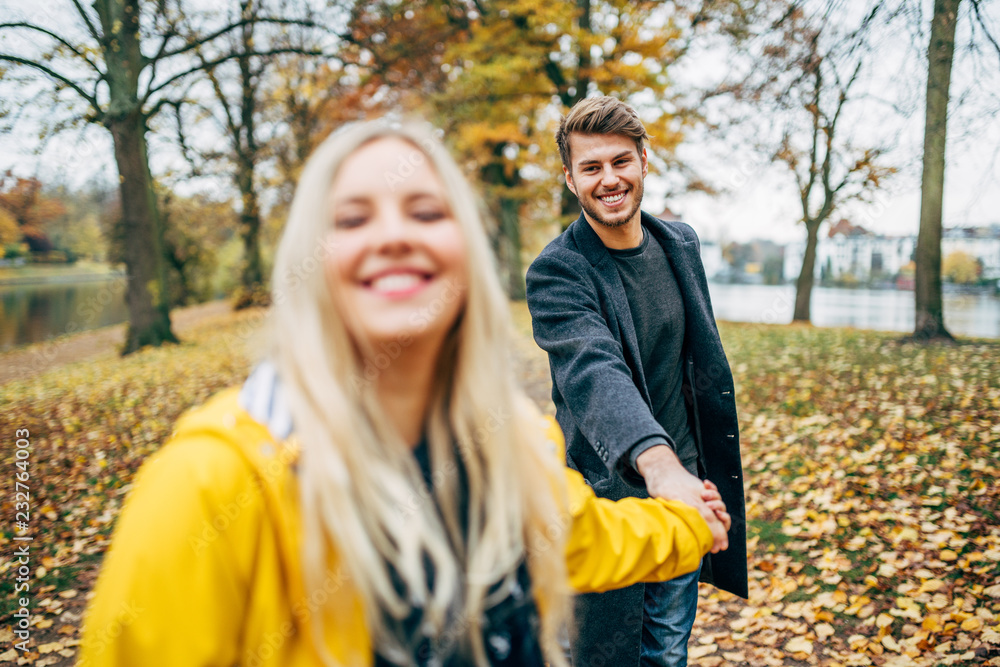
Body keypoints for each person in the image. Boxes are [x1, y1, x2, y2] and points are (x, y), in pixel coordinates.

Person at [78, 118, 731, 667]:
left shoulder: (511, 441)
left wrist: (690, 523)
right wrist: (656, 460)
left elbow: (586, 538)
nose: (393, 234)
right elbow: (594, 368)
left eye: (425, 210)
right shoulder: (211, 483)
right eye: (353, 217)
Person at [525, 96, 748, 667]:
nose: (609, 180)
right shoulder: (557, 272)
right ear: (571, 179)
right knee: (601, 657)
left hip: (686, 494)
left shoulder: (680, 243)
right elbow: (596, 373)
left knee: (668, 652)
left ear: (644, 161)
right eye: (591, 168)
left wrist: (686, 474)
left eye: (620, 161)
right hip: (609, 505)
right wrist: (657, 464)